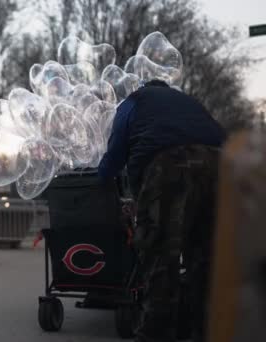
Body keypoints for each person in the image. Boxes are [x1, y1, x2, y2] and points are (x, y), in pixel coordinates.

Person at [98, 80, 225, 342]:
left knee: (160, 258)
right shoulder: (189, 103)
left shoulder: (134, 102)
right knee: (205, 260)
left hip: (170, 165)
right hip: (219, 165)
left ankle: (155, 334)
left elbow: (115, 154)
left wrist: (101, 179)